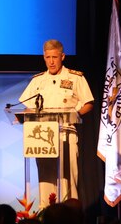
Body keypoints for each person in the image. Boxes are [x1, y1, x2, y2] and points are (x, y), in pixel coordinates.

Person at [18, 39, 94, 207]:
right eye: (48, 57)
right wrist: (22, 116)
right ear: (44, 58)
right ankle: (46, 214)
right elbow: (28, 106)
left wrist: (74, 115)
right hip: (43, 136)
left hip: (66, 134)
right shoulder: (38, 81)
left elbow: (88, 103)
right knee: (46, 180)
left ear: (62, 56)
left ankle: (70, 215)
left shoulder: (75, 78)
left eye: (55, 57)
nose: (51, 62)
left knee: (67, 180)